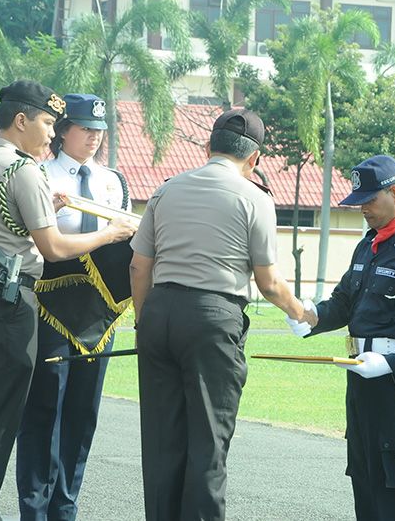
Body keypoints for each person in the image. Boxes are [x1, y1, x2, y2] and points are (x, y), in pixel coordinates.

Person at [0, 80, 136, 521]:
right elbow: (51, 248)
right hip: (12, 302)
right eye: (48, 122)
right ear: (21, 120)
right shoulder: (25, 170)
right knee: (2, 426)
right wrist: (109, 234)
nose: (51, 133)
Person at [129, 108, 313, 521]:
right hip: (212, 317)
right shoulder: (255, 198)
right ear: (255, 159)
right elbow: (268, 282)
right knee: (208, 444)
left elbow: (139, 266)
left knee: (162, 443)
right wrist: (302, 312)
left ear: (209, 147)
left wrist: (145, 323)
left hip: (158, 312)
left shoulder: (166, 189)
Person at [286, 155, 395, 521]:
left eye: (369, 200)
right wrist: (310, 318)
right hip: (360, 381)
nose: (362, 208)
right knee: (365, 480)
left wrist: (394, 363)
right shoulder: (368, 246)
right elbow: (346, 302)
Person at [17, 93, 131, 520]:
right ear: (62, 131)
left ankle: (65, 507)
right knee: (44, 408)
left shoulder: (112, 182)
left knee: (83, 414)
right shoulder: (38, 175)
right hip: (50, 307)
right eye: (85, 129)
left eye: (99, 130)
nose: (94, 138)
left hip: (99, 315)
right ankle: (34, 507)